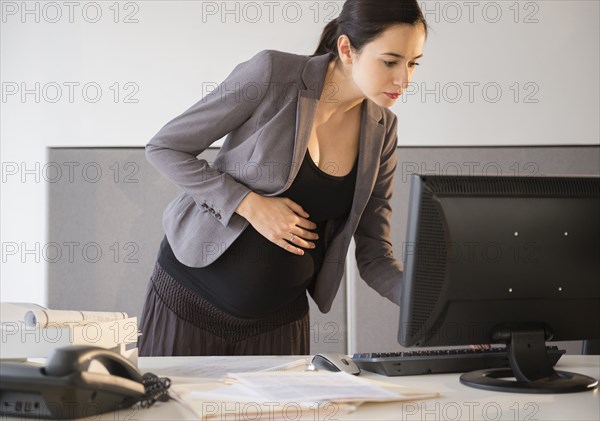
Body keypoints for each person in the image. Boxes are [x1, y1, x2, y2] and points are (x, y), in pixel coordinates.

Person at [138, 0, 428, 356]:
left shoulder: (383, 130)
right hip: (188, 303)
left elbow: (374, 254)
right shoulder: (273, 73)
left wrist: (428, 303)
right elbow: (166, 148)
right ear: (346, 49)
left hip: (280, 326)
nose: (405, 79)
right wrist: (249, 204)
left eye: (414, 63)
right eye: (390, 61)